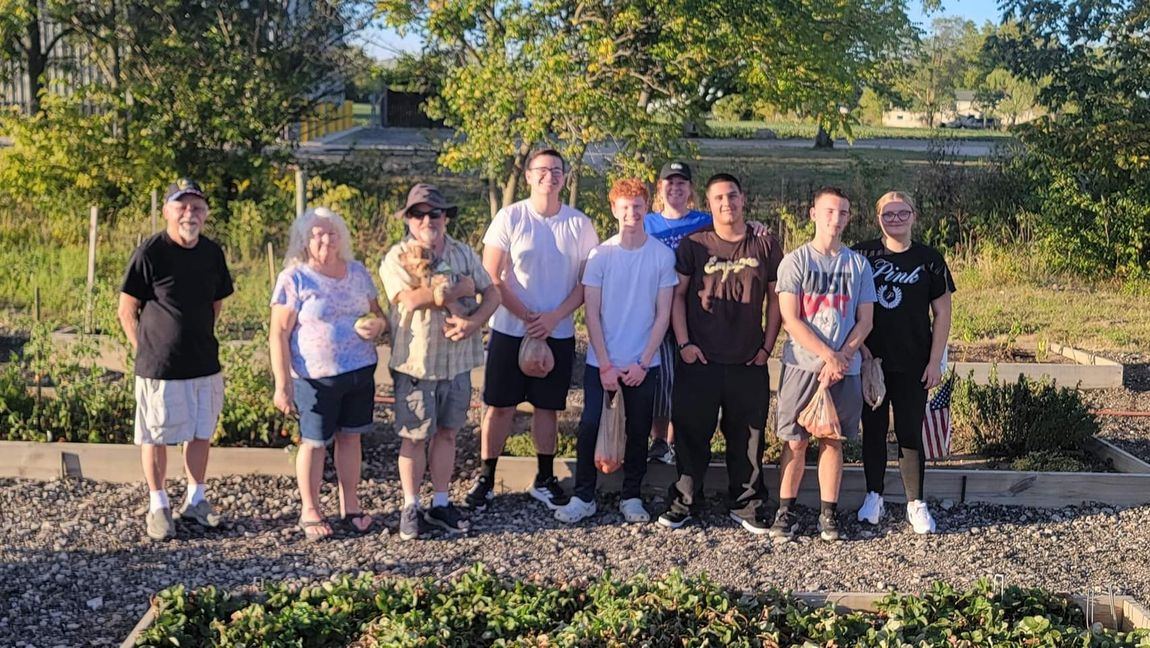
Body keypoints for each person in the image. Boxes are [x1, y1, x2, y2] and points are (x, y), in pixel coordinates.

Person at [465, 148, 599, 512]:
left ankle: (544, 478)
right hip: (511, 328)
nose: (549, 176)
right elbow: (492, 276)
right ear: (527, 175)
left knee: (547, 408)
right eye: (542, 169)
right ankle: (486, 478)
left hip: (557, 330)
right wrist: (528, 316)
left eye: (557, 170)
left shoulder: (579, 224)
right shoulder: (509, 218)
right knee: (499, 406)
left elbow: (588, 282)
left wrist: (554, 317)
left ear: (564, 177)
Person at [657, 173, 783, 535]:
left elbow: (776, 299)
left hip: (748, 359)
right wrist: (684, 344)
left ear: (743, 199)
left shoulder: (765, 245)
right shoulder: (694, 245)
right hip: (701, 359)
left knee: (749, 437)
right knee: (691, 433)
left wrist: (766, 346)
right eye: (718, 199)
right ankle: (684, 500)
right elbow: (677, 297)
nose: (726, 204)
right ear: (708, 205)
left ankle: (747, 503)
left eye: (732, 196)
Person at [380, 184, 501, 540]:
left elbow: (491, 292)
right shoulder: (397, 256)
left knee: (448, 433)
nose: (427, 220)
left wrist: (473, 321)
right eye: (419, 214)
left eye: (434, 213)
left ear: (446, 217)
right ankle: (411, 504)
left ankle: (442, 502)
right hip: (417, 363)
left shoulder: (464, 253)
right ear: (409, 219)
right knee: (415, 436)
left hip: (458, 361)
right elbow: (410, 300)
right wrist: (457, 291)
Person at [117, 178, 234, 541]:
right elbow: (126, 309)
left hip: (203, 363)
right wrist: (145, 347)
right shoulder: (150, 253)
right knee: (154, 436)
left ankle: (196, 499)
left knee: (201, 432)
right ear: (167, 211)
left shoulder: (212, 253)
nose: (190, 214)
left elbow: (216, 303)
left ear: (205, 214)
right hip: (160, 367)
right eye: (182, 206)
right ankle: (158, 504)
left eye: (197, 207)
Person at [555, 178, 677, 524]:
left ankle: (631, 495)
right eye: (624, 207)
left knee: (638, 430)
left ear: (647, 207)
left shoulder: (661, 256)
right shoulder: (600, 256)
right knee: (590, 425)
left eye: (637, 206)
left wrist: (642, 362)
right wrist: (606, 365)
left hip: (644, 363)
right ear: (613, 210)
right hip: (602, 363)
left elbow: (663, 314)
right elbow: (590, 313)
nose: (631, 213)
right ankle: (584, 495)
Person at [644, 161, 776, 465]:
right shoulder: (647, 223)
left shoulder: (702, 221)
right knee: (664, 382)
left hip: (696, 321)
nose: (675, 188)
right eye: (669, 183)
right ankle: (658, 441)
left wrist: (756, 226)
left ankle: (675, 444)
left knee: (684, 385)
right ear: (660, 188)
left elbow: (731, 219)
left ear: (691, 190)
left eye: (682, 183)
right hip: (652, 312)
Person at [270, 207, 387, 541]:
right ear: (304, 240)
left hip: (359, 370)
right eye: (317, 234)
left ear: (341, 238)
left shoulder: (358, 272)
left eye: (332, 233)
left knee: (351, 437)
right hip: (313, 377)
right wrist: (282, 384)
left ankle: (350, 505)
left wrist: (378, 325)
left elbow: (378, 315)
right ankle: (310, 509)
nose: (325, 239)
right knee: (314, 442)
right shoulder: (294, 278)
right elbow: (278, 333)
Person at [771, 186, 875, 543]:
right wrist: (827, 355)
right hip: (803, 366)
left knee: (833, 439)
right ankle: (786, 510)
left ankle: (827, 514)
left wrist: (843, 356)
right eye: (829, 211)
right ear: (813, 214)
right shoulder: (796, 262)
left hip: (845, 369)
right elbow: (791, 318)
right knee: (796, 441)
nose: (836, 218)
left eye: (843, 213)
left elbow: (865, 321)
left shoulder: (858, 265)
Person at [853, 191, 954, 534]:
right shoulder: (862, 254)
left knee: (910, 431)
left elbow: (942, 313)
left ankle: (916, 503)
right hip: (872, 361)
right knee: (874, 431)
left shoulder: (929, 259)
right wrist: (861, 352)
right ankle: (873, 496)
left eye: (902, 213)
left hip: (914, 361)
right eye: (888, 214)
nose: (895, 220)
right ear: (877, 217)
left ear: (914, 215)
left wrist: (935, 360)